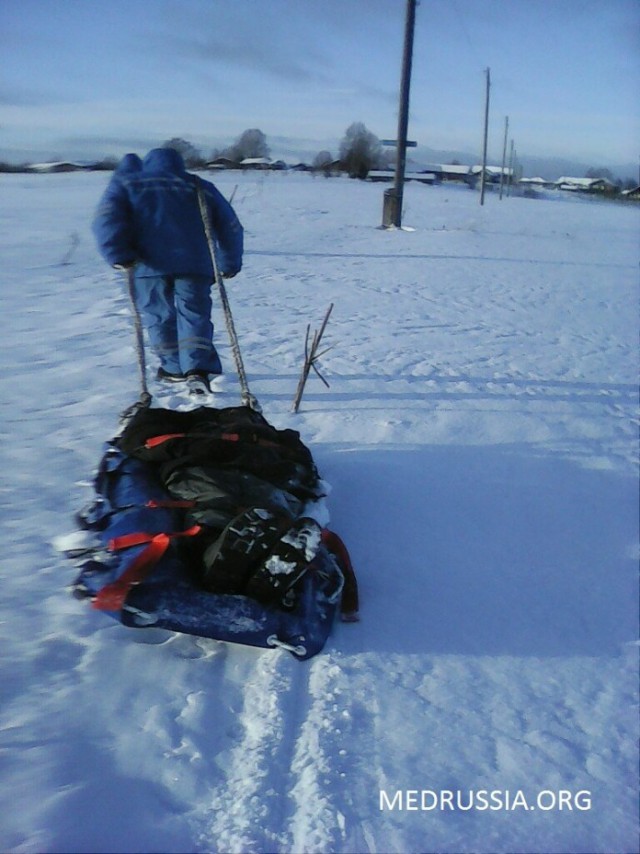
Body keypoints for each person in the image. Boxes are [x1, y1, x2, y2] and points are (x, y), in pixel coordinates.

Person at [92, 147, 243, 393]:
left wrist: (118, 254)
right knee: (194, 315)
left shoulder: (129, 184)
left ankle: (173, 368)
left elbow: (106, 218)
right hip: (195, 265)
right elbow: (231, 227)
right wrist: (230, 262)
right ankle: (197, 369)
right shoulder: (199, 186)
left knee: (158, 315)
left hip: (148, 266)